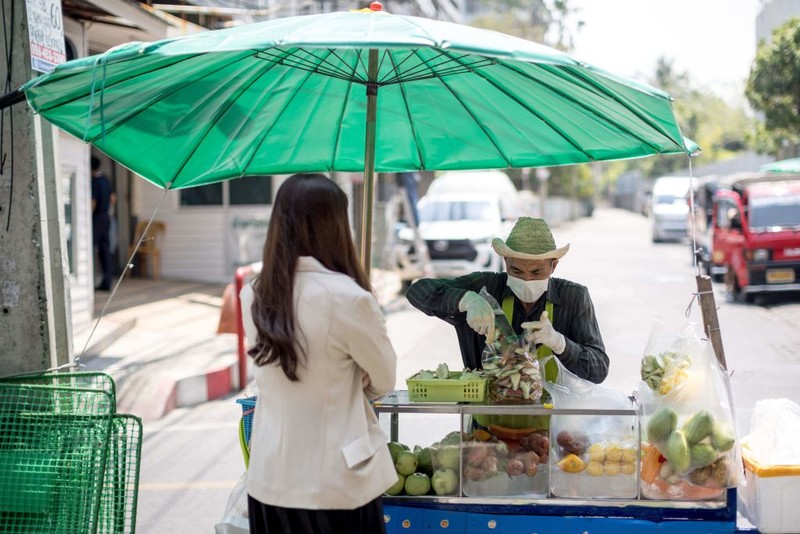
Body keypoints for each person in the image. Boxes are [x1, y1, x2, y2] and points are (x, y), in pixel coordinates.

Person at [239, 173, 398, 534]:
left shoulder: (253, 295)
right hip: (335, 485)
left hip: (268, 482)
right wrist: (356, 379)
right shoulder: (350, 298)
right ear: (337, 227)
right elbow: (384, 379)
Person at [406, 216, 609, 384]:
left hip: (552, 424)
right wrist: (466, 300)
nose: (526, 279)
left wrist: (560, 343)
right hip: (486, 422)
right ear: (505, 262)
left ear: (553, 266)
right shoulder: (487, 287)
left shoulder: (573, 297)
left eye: (537, 271)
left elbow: (599, 370)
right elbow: (418, 291)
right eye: (516, 270)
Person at [91, 156, 114, 291]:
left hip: (97, 217)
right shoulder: (105, 179)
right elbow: (113, 198)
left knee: (92, 249)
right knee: (105, 250)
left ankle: (93, 281)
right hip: (106, 217)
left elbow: (93, 202)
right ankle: (107, 282)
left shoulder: (95, 181)